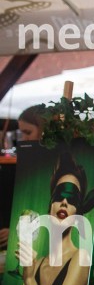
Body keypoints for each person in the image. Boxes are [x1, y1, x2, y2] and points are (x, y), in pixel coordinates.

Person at [14, 151, 94, 285]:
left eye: (72, 198)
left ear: (78, 212)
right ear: (50, 206)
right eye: (59, 195)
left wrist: (30, 280)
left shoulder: (80, 258)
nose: (64, 202)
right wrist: (28, 275)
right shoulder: (37, 264)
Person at [0, 105, 46, 250]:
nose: (24, 138)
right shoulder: (20, 164)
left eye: (28, 132)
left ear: (44, 131)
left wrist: (16, 230)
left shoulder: (52, 166)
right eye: (22, 133)